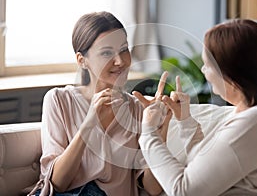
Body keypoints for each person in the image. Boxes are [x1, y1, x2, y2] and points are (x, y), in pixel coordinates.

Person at [137, 19, 257, 196]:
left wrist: (148, 132)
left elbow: (184, 190)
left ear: (232, 77)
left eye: (208, 65)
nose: (204, 71)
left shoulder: (253, 125)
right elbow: (205, 167)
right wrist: (185, 120)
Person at [28, 11, 163, 196]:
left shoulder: (138, 109)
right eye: (106, 53)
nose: (120, 61)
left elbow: (153, 188)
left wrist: (158, 129)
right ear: (82, 61)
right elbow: (57, 183)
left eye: (124, 49)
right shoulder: (59, 100)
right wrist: (90, 122)